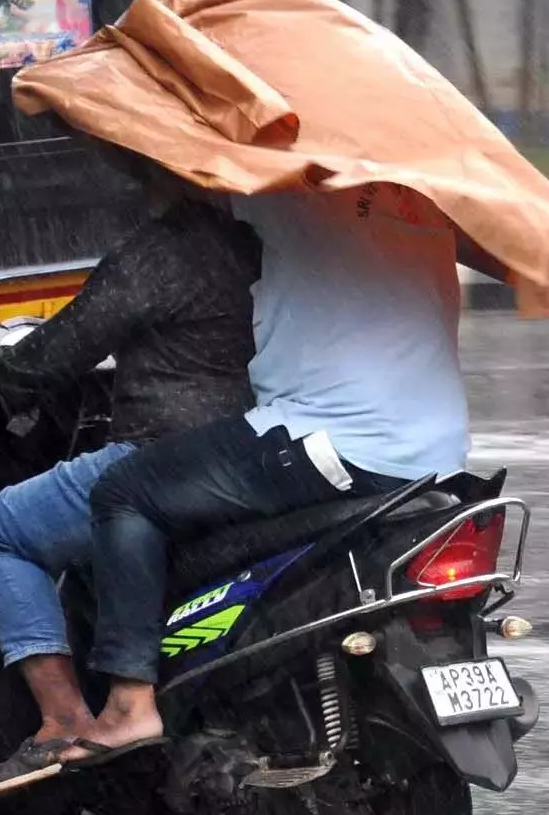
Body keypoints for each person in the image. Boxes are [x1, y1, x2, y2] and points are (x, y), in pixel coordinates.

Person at [42, 179, 480, 774]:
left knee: (126, 493)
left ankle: (129, 703)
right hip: (437, 453)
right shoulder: (423, 200)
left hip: (334, 443)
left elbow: (181, 172)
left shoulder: (287, 189)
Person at [0, 153, 260, 798]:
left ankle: (61, 720)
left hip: (159, 451)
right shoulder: (264, 245)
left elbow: (52, 355)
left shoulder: (164, 252)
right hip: (247, 446)